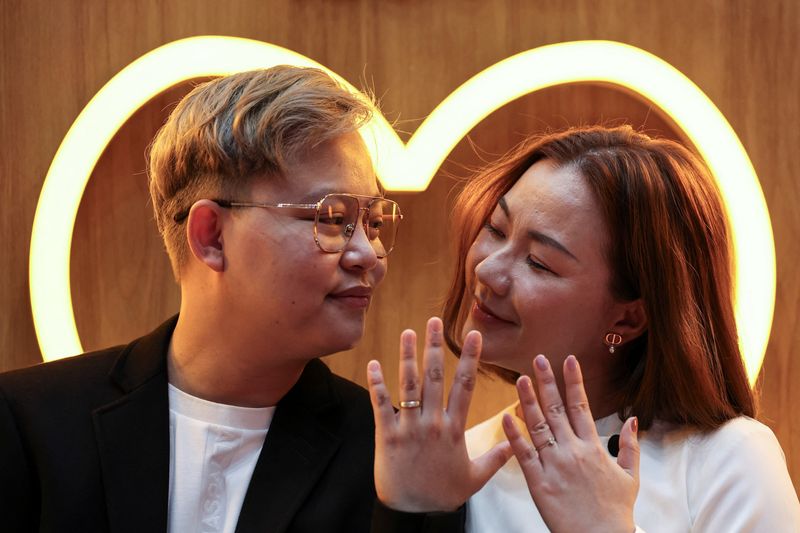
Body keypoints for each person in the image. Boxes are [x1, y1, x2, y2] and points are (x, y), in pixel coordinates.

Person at [0, 66, 465, 533]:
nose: (369, 255)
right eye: (331, 218)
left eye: (375, 223)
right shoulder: (31, 422)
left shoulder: (391, 460)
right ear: (212, 237)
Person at [367, 125, 800, 532]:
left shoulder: (728, 460)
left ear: (628, 318)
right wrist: (409, 514)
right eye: (496, 229)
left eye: (539, 262)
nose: (487, 268)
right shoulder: (467, 463)